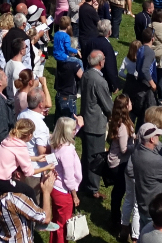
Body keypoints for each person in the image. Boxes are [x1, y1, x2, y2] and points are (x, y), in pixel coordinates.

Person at [80, 50, 112, 199]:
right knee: (95, 158)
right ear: (100, 62)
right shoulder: (99, 81)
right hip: (95, 123)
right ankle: (93, 189)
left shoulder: (86, 74)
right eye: (104, 58)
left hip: (86, 119)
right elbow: (108, 105)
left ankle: (84, 182)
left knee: (86, 155)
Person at [48, 117, 81, 243]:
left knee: (56, 222)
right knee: (63, 226)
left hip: (55, 188)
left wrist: (78, 127)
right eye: (73, 130)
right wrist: (75, 195)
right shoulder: (67, 151)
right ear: (67, 132)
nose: (74, 132)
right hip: (64, 191)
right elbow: (69, 178)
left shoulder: (54, 141)